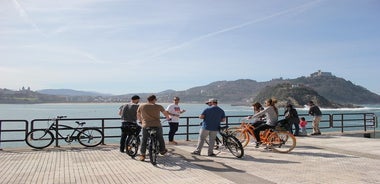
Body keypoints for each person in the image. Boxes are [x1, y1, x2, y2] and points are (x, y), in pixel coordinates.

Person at [136, 95, 171, 161]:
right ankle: (162, 150)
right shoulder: (158, 106)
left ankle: (142, 155)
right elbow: (165, 114)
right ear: (154, 99)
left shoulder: (142, 106)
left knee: (144, 139)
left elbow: (138, 114)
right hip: (156, 124)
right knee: (160, 137)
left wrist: (140, 121)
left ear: (148, 99)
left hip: (146, 125)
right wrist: (168, 118)